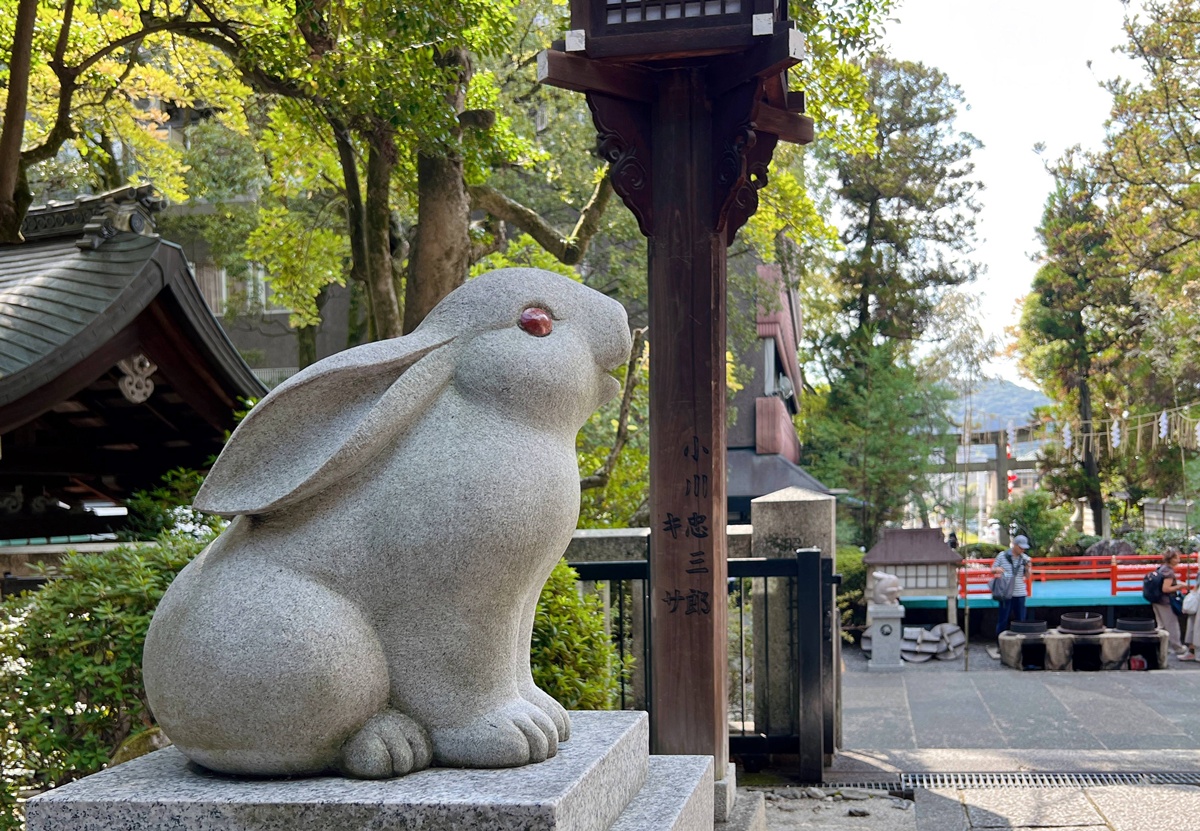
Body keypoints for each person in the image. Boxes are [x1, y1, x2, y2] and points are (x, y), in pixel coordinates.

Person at [1150, 548, 1190, 658]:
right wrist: (1181, 586)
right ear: (1171, 559)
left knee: (1161, 626)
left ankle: (1161, 646)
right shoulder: (1169, 572)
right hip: (1164, 601)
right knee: (1172, 625)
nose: (1178, 560)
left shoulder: (1161, 568)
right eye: (1176, 558)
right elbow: (1166, 589)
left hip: (1156, 600)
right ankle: (1178, 648)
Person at [992, 534, 1032, 637]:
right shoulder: (1002, 556)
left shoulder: (1025, 558)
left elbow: (1027, 577)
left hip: (1020, 593)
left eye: (1024, 548)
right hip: (1005, 593)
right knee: (1003, 620)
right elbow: (993, 568)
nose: (1022, 550)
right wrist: (997, 569)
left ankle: (1021, 644)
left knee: (1021, 620)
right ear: (1014, 545)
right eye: (1020, 547)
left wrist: (1028, 568)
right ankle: (1000, 643)